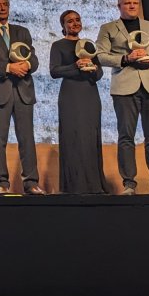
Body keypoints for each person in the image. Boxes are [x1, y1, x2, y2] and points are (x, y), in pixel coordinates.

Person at [95, 0, 149, 195]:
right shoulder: (108, 28)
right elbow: (100, 55)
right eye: (127, 4)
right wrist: (125, 59)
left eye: (135, 3)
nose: (132, 6)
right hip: (124, 87)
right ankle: (129, 184)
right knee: (126, 137)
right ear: (119, 6)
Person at [0, 0, 44, 195]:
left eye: (5, 5)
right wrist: (8, 67)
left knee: (27, 138)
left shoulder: (22, 31)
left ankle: (31, 182)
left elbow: (34, 59)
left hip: (23, 91)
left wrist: (27, 65)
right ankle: (1, 183)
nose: (2, 8)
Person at [49, 10, 107, 194]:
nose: (74, 23)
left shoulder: (89, 45)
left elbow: (99, 74)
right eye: (70, 21)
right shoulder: (58, 45)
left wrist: (93, 68)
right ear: (63, 26)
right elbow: (54, 71)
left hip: (90, 93)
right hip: (71, 96)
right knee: (74, 137)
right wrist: (75, 66)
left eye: (77, 20)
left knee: (91, 137)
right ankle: (75, 186)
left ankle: (94, 185)